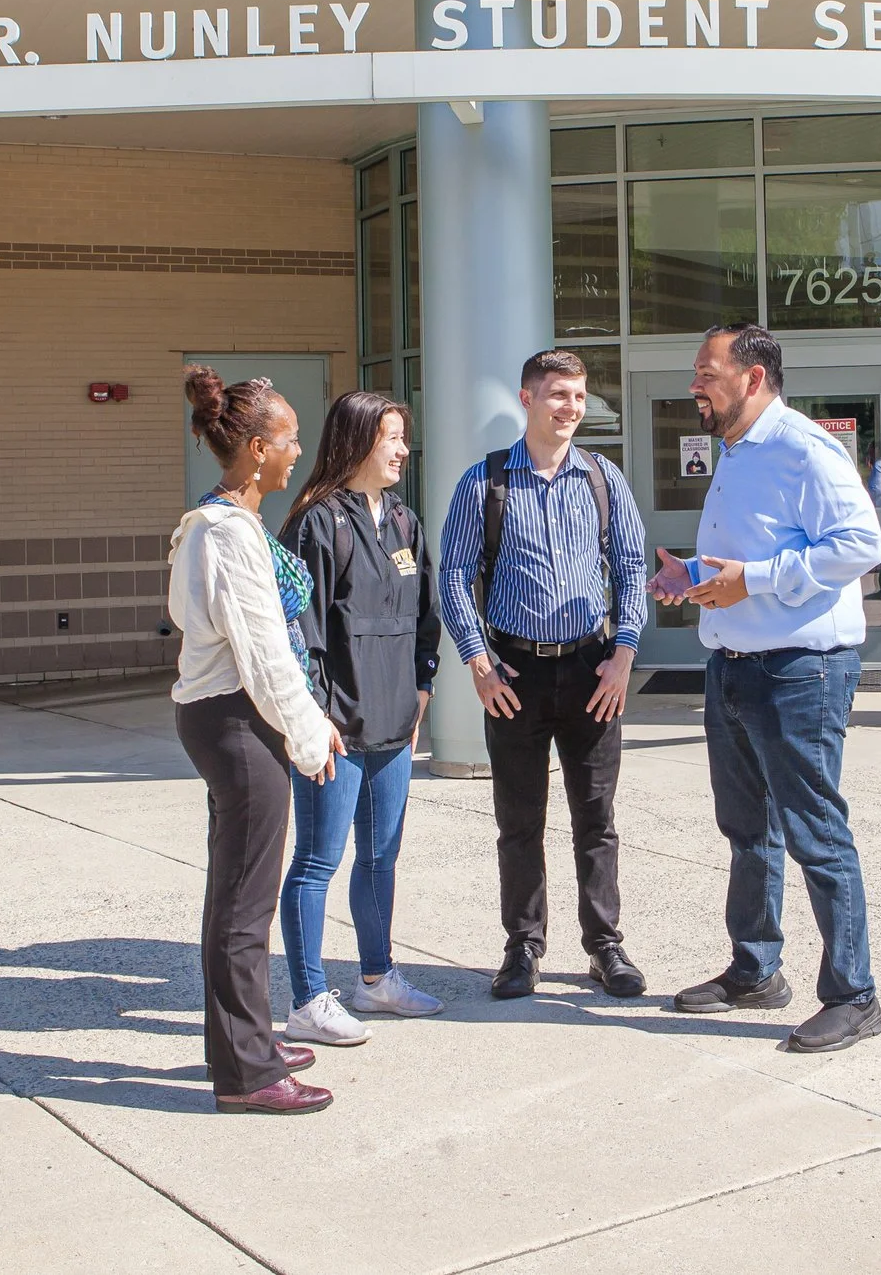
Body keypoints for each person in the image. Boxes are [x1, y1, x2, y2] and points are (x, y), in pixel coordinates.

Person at [651, 323, 881, 1054]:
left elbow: (860, 546)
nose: (694, 384)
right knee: (748, 831)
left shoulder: (804, 449)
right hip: (733, 667)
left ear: (753, 378)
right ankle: (756, 970)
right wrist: (691, 575)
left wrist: (747, 581)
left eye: (707, 372)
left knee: (817, 835)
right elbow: (755, 550)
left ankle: (855, 996)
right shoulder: (736, 451)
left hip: (799, 673)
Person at [436, 349, 650, 1001]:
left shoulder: (603, 479)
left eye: (579, 397)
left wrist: (625, 651)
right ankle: (522, 949)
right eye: (558, 395)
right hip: (515, 672)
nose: (571, 408)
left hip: (593, 670)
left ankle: (605, 947)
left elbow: (633, 568)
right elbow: (451, 575)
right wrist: (477, 660)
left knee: (596, 818)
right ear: (527, 399)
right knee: (519, 821)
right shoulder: (485, 482)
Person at [169, 366, 343, 1114]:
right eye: (289, 439)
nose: (297, 451)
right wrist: (311, 733)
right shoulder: (225, 535)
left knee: (236, 898)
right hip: (238, 721)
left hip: (230, 717)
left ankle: (245, 1042)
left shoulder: (223, 524)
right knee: (244, 906)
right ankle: (247, 1074)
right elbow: (266, 654)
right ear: (254, 447)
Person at [275, 391, 447, 1047]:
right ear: (356, 442)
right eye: (392, 438)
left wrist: (423, 688)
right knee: (318, 861)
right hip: (336, 728)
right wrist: (316, 718)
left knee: (381, 856)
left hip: (394, 725)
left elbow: (424, 616)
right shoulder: (316, 524)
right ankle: (308, 999)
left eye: (403, 438)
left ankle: (376, 982)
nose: (403, 450)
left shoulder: (404, 522)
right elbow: (301, 635)